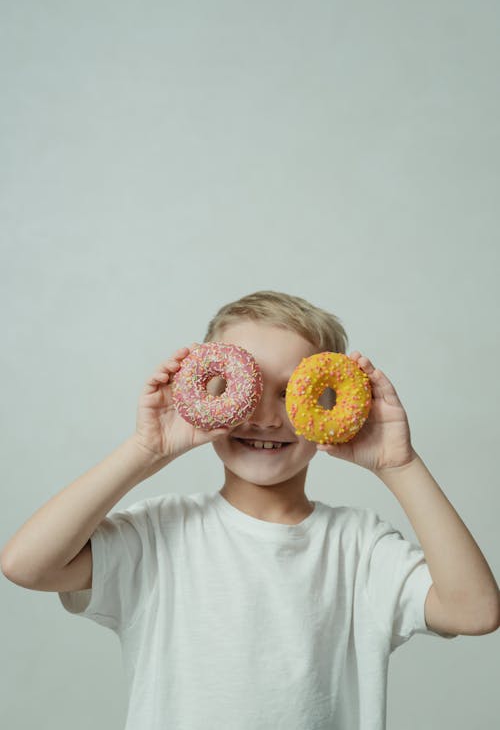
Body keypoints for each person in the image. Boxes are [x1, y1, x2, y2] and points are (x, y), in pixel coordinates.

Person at [1, 290, 499, 730]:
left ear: (333, 404)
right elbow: (27, 565)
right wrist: (145, 450)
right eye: (248, 390)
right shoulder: (157, 535)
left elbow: (474, 612)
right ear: (203, 391)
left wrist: (400, 465)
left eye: (291, 392)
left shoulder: (359, 548)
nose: (265, 417)